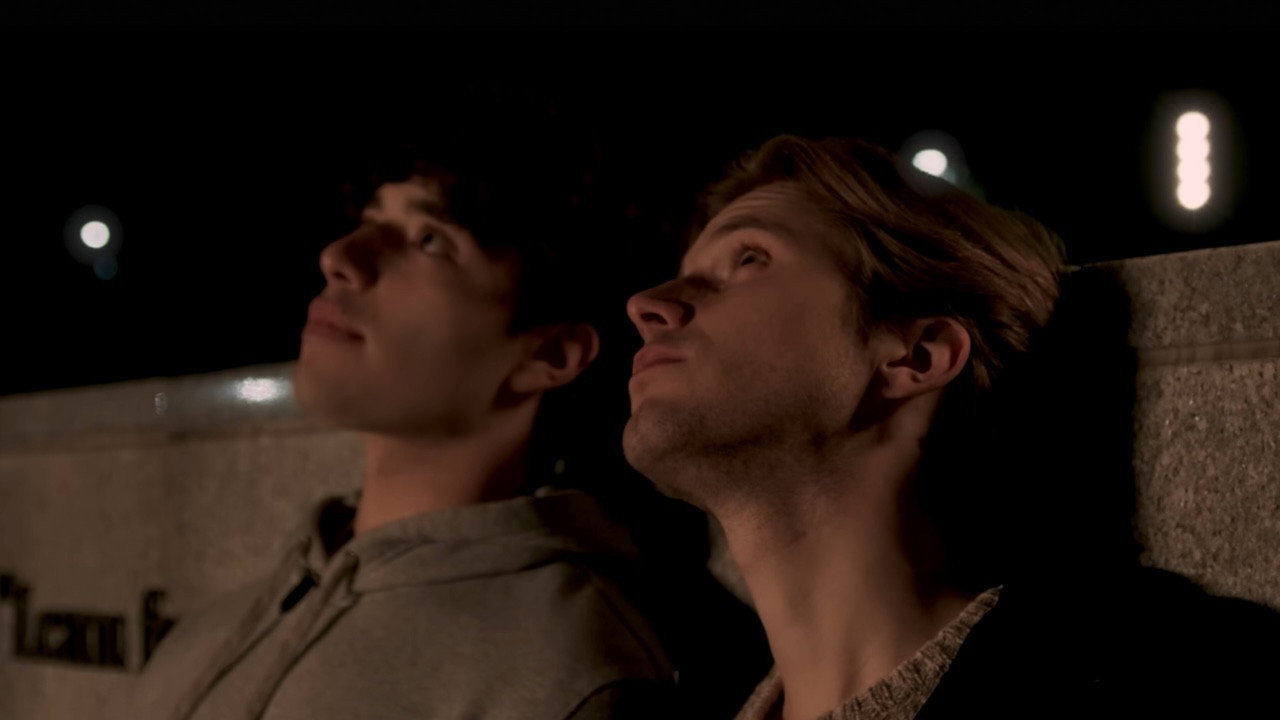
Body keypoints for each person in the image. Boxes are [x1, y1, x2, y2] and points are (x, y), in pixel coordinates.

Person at [622, 135, 1280, 719]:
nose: (647, 305)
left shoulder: (1175, 682)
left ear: (917, 355)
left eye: (747, 260)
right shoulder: (670, 696)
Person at [134, 127, 725, 720]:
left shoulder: (567, 677)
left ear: (550, 354)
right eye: (370, 219)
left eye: (429, 240)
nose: (341, 257)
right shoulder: (208, 636)